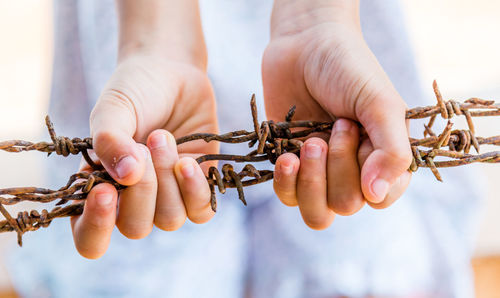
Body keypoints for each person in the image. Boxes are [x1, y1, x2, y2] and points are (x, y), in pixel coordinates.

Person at [6, 0, 482, 297]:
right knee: (146, 267)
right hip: (139, 35)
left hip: (333, 52)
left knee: (357, 267)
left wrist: (315, 16)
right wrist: (159, 45)